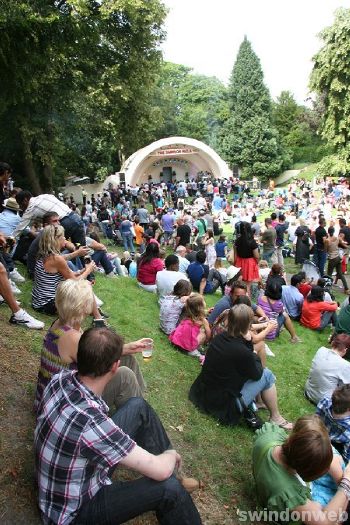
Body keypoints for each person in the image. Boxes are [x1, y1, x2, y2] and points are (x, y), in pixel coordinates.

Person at [35, 326, 202, 525]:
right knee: (169, 487)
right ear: (115, 367)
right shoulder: (94, 424)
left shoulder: (60, 379)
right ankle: (177, 484)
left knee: (137, 405)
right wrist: (170, 455)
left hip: (59, 485)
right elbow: (161, 471)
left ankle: (175, 476)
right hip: (73, 514)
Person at [34, 279, 146, 414]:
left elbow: (95, 353)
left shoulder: (61, 324)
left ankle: (139, 401)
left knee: (128, 359)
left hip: (55, 392)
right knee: (125, 375)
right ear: (83, 307)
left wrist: (126, 348)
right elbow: (98, 362)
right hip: (66, 404)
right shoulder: (72, 338)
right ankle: (137, 414)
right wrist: (123, 348)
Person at [189, 304, 291, 428]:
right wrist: (253, 353)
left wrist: (248, 344)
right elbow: (257, 373)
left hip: (202, 394)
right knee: (267, 374)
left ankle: (262, 403)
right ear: (248, 326)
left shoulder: (219, 338)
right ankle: (276, 417)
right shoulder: (242, 351)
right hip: (223, 406)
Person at [253, 414, 350, 523]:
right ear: (308, 472)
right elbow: (325, 522)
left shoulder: (268, 436)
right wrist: (346, 482)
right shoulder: (290, 492)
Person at [31, 225, 99, 316]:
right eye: (62, 236)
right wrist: (88, 271)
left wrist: (82, 271)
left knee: (85, 288)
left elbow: (64, 271)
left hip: (38, 301)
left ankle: (96, 312)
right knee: (86, 285)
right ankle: (98, 317)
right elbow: (75, 283)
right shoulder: (56, 259)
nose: (65, 238)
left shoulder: (44, 254)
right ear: (55, 240)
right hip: (48, 304)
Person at [14, 190, 86, 246]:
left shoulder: (31, 208)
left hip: (64, 224)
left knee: (54, 248)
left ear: (25, 200)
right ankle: (82, 263)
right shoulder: (45, 196)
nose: (21, 207)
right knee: (79, 247)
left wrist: (10, 239)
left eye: (20, 204)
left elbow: (20, 228)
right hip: (75, 217)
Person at [305, 334, 350, 405]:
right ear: (345, 350)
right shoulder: (345, 365)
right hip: (324, 401)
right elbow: (347, 389)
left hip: (308, 392)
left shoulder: (321, 349)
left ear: (332, 343)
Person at [169, 293, 211, 357]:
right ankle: (192, 350)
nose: (205, 302)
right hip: (186, 347)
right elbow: (208, 333)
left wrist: (208, 311)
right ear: (200, 307)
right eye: (203, 301)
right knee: (203, 333)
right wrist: (206, 341)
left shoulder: (188, 314)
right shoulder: (203, 320)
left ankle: (188, 345)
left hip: (176, 341)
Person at [317, 385, 350, 464]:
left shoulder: (325, 401)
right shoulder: (348, 427)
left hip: (316, 434)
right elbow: (346, 458)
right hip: (332, 449)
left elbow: (316, 419)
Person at [234, 221, 260, 297]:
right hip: (249, 263)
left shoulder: (237, 240)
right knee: (247, 285)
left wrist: (235, 264)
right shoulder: (252, 241)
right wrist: (257, 262)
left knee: (239, 284)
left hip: (239, 262)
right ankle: (247, 301)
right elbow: (257, 256)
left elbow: (235, 254)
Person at [326, 226, 349, 294]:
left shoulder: (327, 240)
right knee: (340, 274)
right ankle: (347, 289)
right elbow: (344, 246)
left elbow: (326, 250)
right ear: (334, 231)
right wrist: (347, 247)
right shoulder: (337, 238)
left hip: (332, 258)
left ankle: (328, 290)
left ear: (328, 232)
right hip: (338, 257)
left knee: (329, 275)